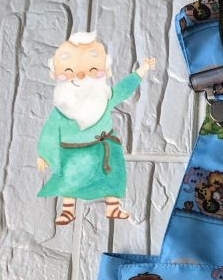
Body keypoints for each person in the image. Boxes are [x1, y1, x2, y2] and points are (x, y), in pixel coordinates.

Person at [37, 32, 155, 225]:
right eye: (70, 71)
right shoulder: (62, 110)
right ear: (55, 74)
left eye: (92, 70)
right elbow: (50, 132)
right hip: (73, 153)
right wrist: (43, 154)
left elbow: (123, 89)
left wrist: (142, 70)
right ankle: (68, 210)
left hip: (104, 148)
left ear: (105, 71)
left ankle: (113, 206)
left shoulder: (103, 99)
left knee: (112, 177)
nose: (81, 75)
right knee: (70, 180)